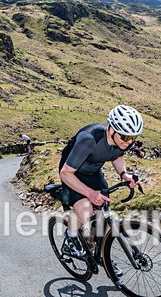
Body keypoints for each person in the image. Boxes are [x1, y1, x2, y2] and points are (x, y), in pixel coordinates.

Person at [58, 105, 143, 258]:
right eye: (125, 137)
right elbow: (65, 173)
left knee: (105, 220)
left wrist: (125, 175)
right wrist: (90, 193)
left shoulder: (122, 141)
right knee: (86, 212)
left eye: (133, 137)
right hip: (72, 174)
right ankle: (70, 235)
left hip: (93, 173)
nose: (129, 142)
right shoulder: (89, 139)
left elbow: (117, 156)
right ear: (112, 129)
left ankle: (104, 258)